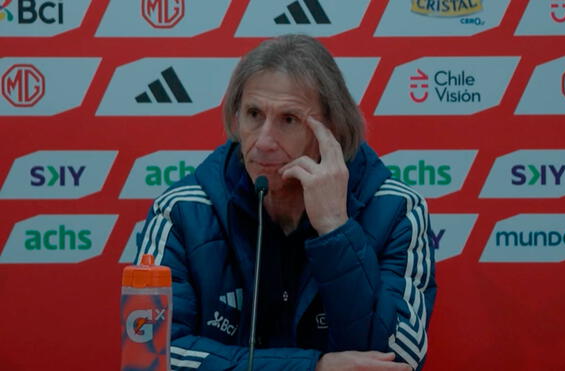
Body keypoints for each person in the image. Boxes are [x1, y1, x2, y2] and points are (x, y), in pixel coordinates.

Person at [136, 34, 437, 371]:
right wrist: (312, 368)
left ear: (332, 129)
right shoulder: (181, 210)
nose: (263, 142)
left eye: (289, 120)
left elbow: (396, 360)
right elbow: (149, 355)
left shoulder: (397, 210)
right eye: (253, 114)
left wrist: (337, 229)